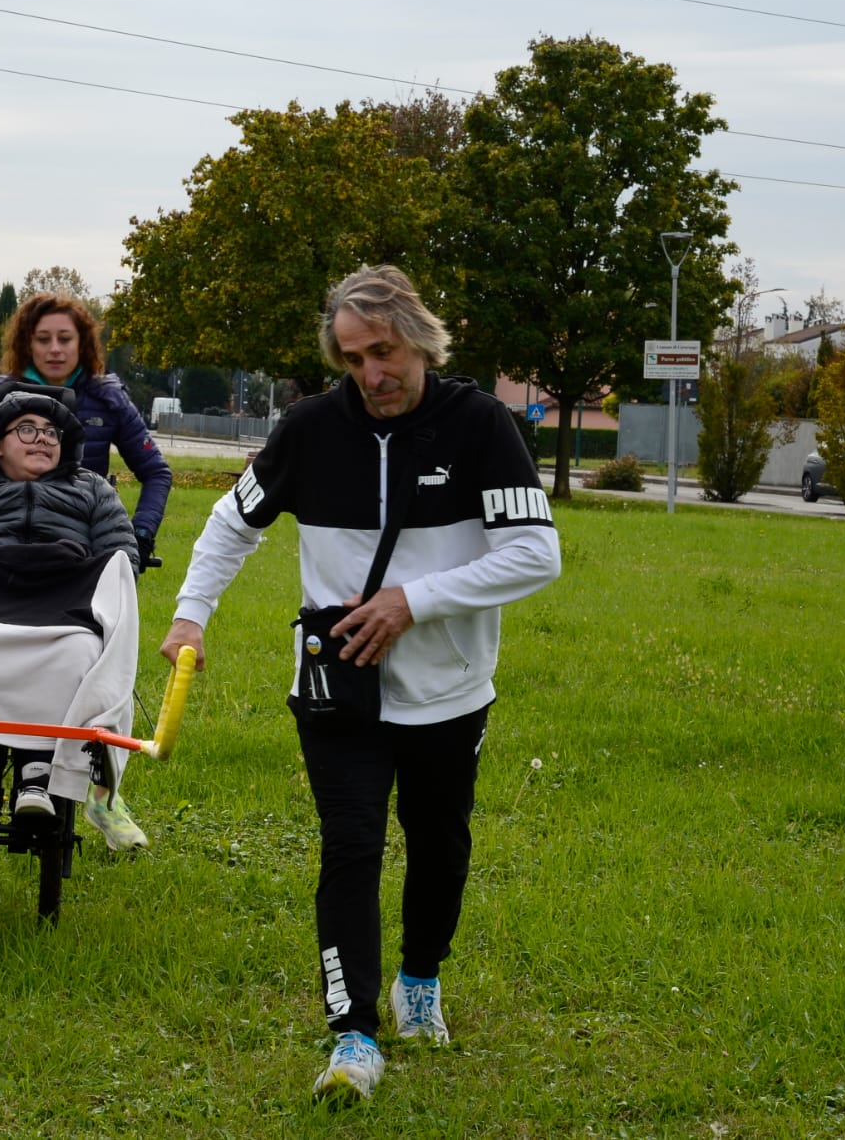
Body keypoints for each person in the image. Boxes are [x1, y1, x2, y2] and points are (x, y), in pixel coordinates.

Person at [158, 265, 560, 1105]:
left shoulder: (482, 424)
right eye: (353, 358)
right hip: (338, 689)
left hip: (450, 690)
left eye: (385, 352)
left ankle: (421, 979)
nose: (373, 374)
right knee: (349, 847)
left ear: (419, 337)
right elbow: (233, 523)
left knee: (439, 843)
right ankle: (354, 1035)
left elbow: (535, 553)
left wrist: (413, 602)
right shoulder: (310, 428)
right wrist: (192, 613)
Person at [0, 293, 169, 850]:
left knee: (97, 661)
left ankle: (102, 796)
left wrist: (134, 542)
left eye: (65, 339)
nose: (54, 349)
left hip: (77, 548)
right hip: (0, 555)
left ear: (83, 343)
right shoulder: (1, 398)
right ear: (26, 343)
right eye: (42, 339)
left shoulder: (108, 399)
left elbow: (155, 472)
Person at [0, 387, 139, 823]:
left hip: (64, 613)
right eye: (27, 429)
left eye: (51, 432)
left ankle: (37, 775)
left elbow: (122, 562)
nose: (42, 438)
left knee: (79, 651)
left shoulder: (93, 491)